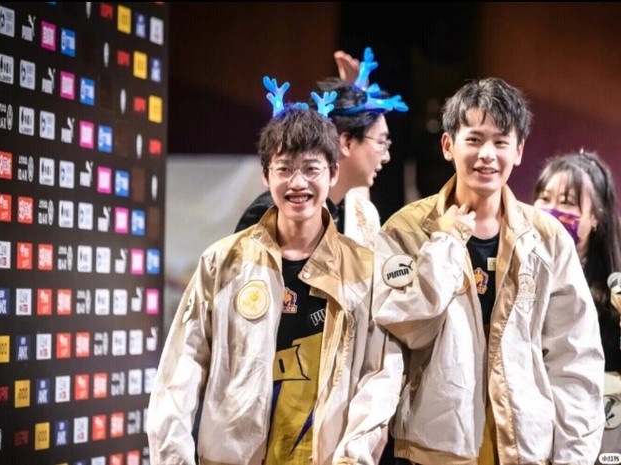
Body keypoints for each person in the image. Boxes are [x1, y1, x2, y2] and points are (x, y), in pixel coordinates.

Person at [147, 78, 402, 465]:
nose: (298, 182)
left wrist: (356, 454)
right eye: (284, 169)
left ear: (333, 173)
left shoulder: (364, 269)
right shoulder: (223, 261)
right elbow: (180, 371)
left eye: (311, 169)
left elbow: (380, 373)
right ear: (266, 176)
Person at [372, 77, 605, 464]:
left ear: (519, 150)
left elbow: (574, 357)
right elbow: (404, 329)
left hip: (523, 448)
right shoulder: (405, 231)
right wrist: (446, 245)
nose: (487, 155)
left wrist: (573, 456)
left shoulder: (547, 237)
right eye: (474, 139)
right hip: (432, 450)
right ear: (448, 145)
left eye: (500, 142)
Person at [235, 47, 408, 249]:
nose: (386, 156)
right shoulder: (272, 213)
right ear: (345, 143)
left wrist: (355, 95)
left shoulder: (359, 211)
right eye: (380, 142)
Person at [533, 149, 621, 463]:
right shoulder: (516, 272)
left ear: (596, 217)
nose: (551, 211)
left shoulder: (613, 295)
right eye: (544, 198)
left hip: (597, 437)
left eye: (567, 202)